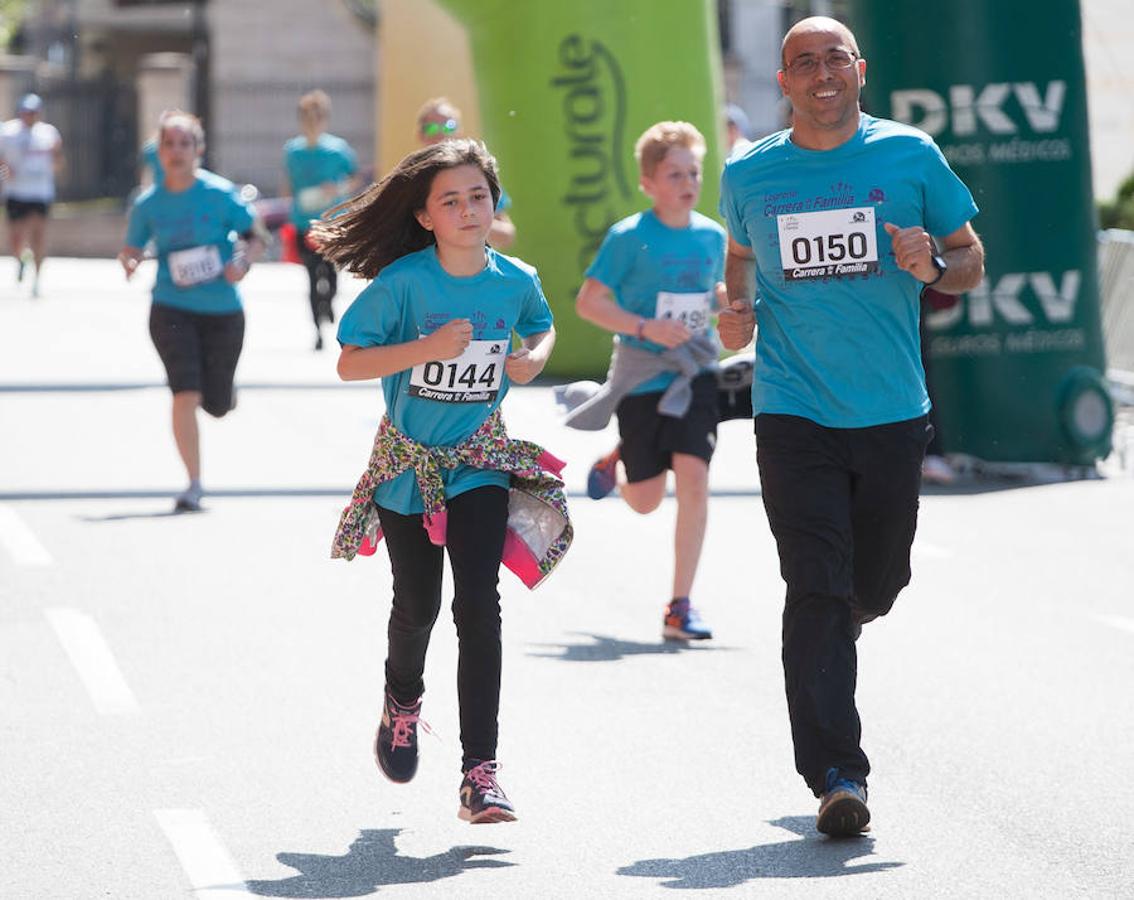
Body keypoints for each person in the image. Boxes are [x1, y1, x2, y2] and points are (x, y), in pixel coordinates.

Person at [718, 16, 984, 836]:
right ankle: (838, 773)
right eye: (804, 62)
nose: (821, 72)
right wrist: (737, 312)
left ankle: (851, 612)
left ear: (859, 70)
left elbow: (970, 256)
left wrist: (933, 266)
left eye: (835, 58)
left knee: (877, 584)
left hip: (891, 411)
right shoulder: (750, 174)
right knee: (815, 589)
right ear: (784, 83)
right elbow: (738, 258)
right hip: (792, 410)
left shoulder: (911, 157)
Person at [314, 138, 559, 824]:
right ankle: (402, 700)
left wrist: (531, 359)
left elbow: (538, 328)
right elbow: (350, 364)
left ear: (494, 201)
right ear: (425, 217)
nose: (467, 209)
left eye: (477, 195)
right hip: (408, 465)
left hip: (480, 458)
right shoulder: (403, 285)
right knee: (418, 606)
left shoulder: (515, 280)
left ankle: (480, 772)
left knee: (478, 604)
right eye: (450, 200)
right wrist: (426, 349)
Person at [574, 121, 726, 642]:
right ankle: (619, 458)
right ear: (649, 183)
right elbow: (589, 302)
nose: (688, 183)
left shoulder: (712, 236)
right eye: (674, 173)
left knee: (695, 481)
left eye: (694, 172)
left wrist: (730, 309)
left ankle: (680, 605)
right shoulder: (629, 238)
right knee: (643, 501)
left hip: (694, 374)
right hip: (641, 377)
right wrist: (644, 328)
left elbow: (717, 295)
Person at [118, 111, 265, 513]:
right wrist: (130, 260)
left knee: (215, 404)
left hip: (223, 311)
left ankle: (224, 392)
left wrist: (243, 261)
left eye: (185, 143)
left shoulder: (219, 195)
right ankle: (194, 483)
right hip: (171, 308)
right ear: (159, 152)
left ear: (198, 150)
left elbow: (256, 236)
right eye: (169, 143)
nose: (177, 151)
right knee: (185, 392)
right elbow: (133, 246)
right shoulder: (148, 204)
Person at [282, 90, 361, 350]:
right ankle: (317, 328)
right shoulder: (292, 151)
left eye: (317, 116)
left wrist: (336, 189)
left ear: (325, 119)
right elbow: (287, 186)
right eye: (307, 117)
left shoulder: (338, 150)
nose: (312, 122)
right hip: (304, 224)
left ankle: (329, 303)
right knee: (311, 276)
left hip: (332, 224)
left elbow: (355, 179)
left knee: (331, 274)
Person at [415, 97, 516, 249]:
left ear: (459, 132)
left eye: (449, 126)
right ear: (421, 135)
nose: (442, 134)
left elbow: (507, 235)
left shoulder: (479, 176)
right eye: (432, 128)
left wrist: (470, 221)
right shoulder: (409, 180)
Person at [1, 93, 63, 298]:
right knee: (16, 237)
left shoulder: (49, 134)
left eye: (34, 112)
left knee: (38, 235)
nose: (30, 116)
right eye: (27, 112)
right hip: (16, 191)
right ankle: (21, 258)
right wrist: (4, 169)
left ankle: (37, 279)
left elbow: (58, 161)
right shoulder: (7, 133)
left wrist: (55, 159)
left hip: (40, 191)